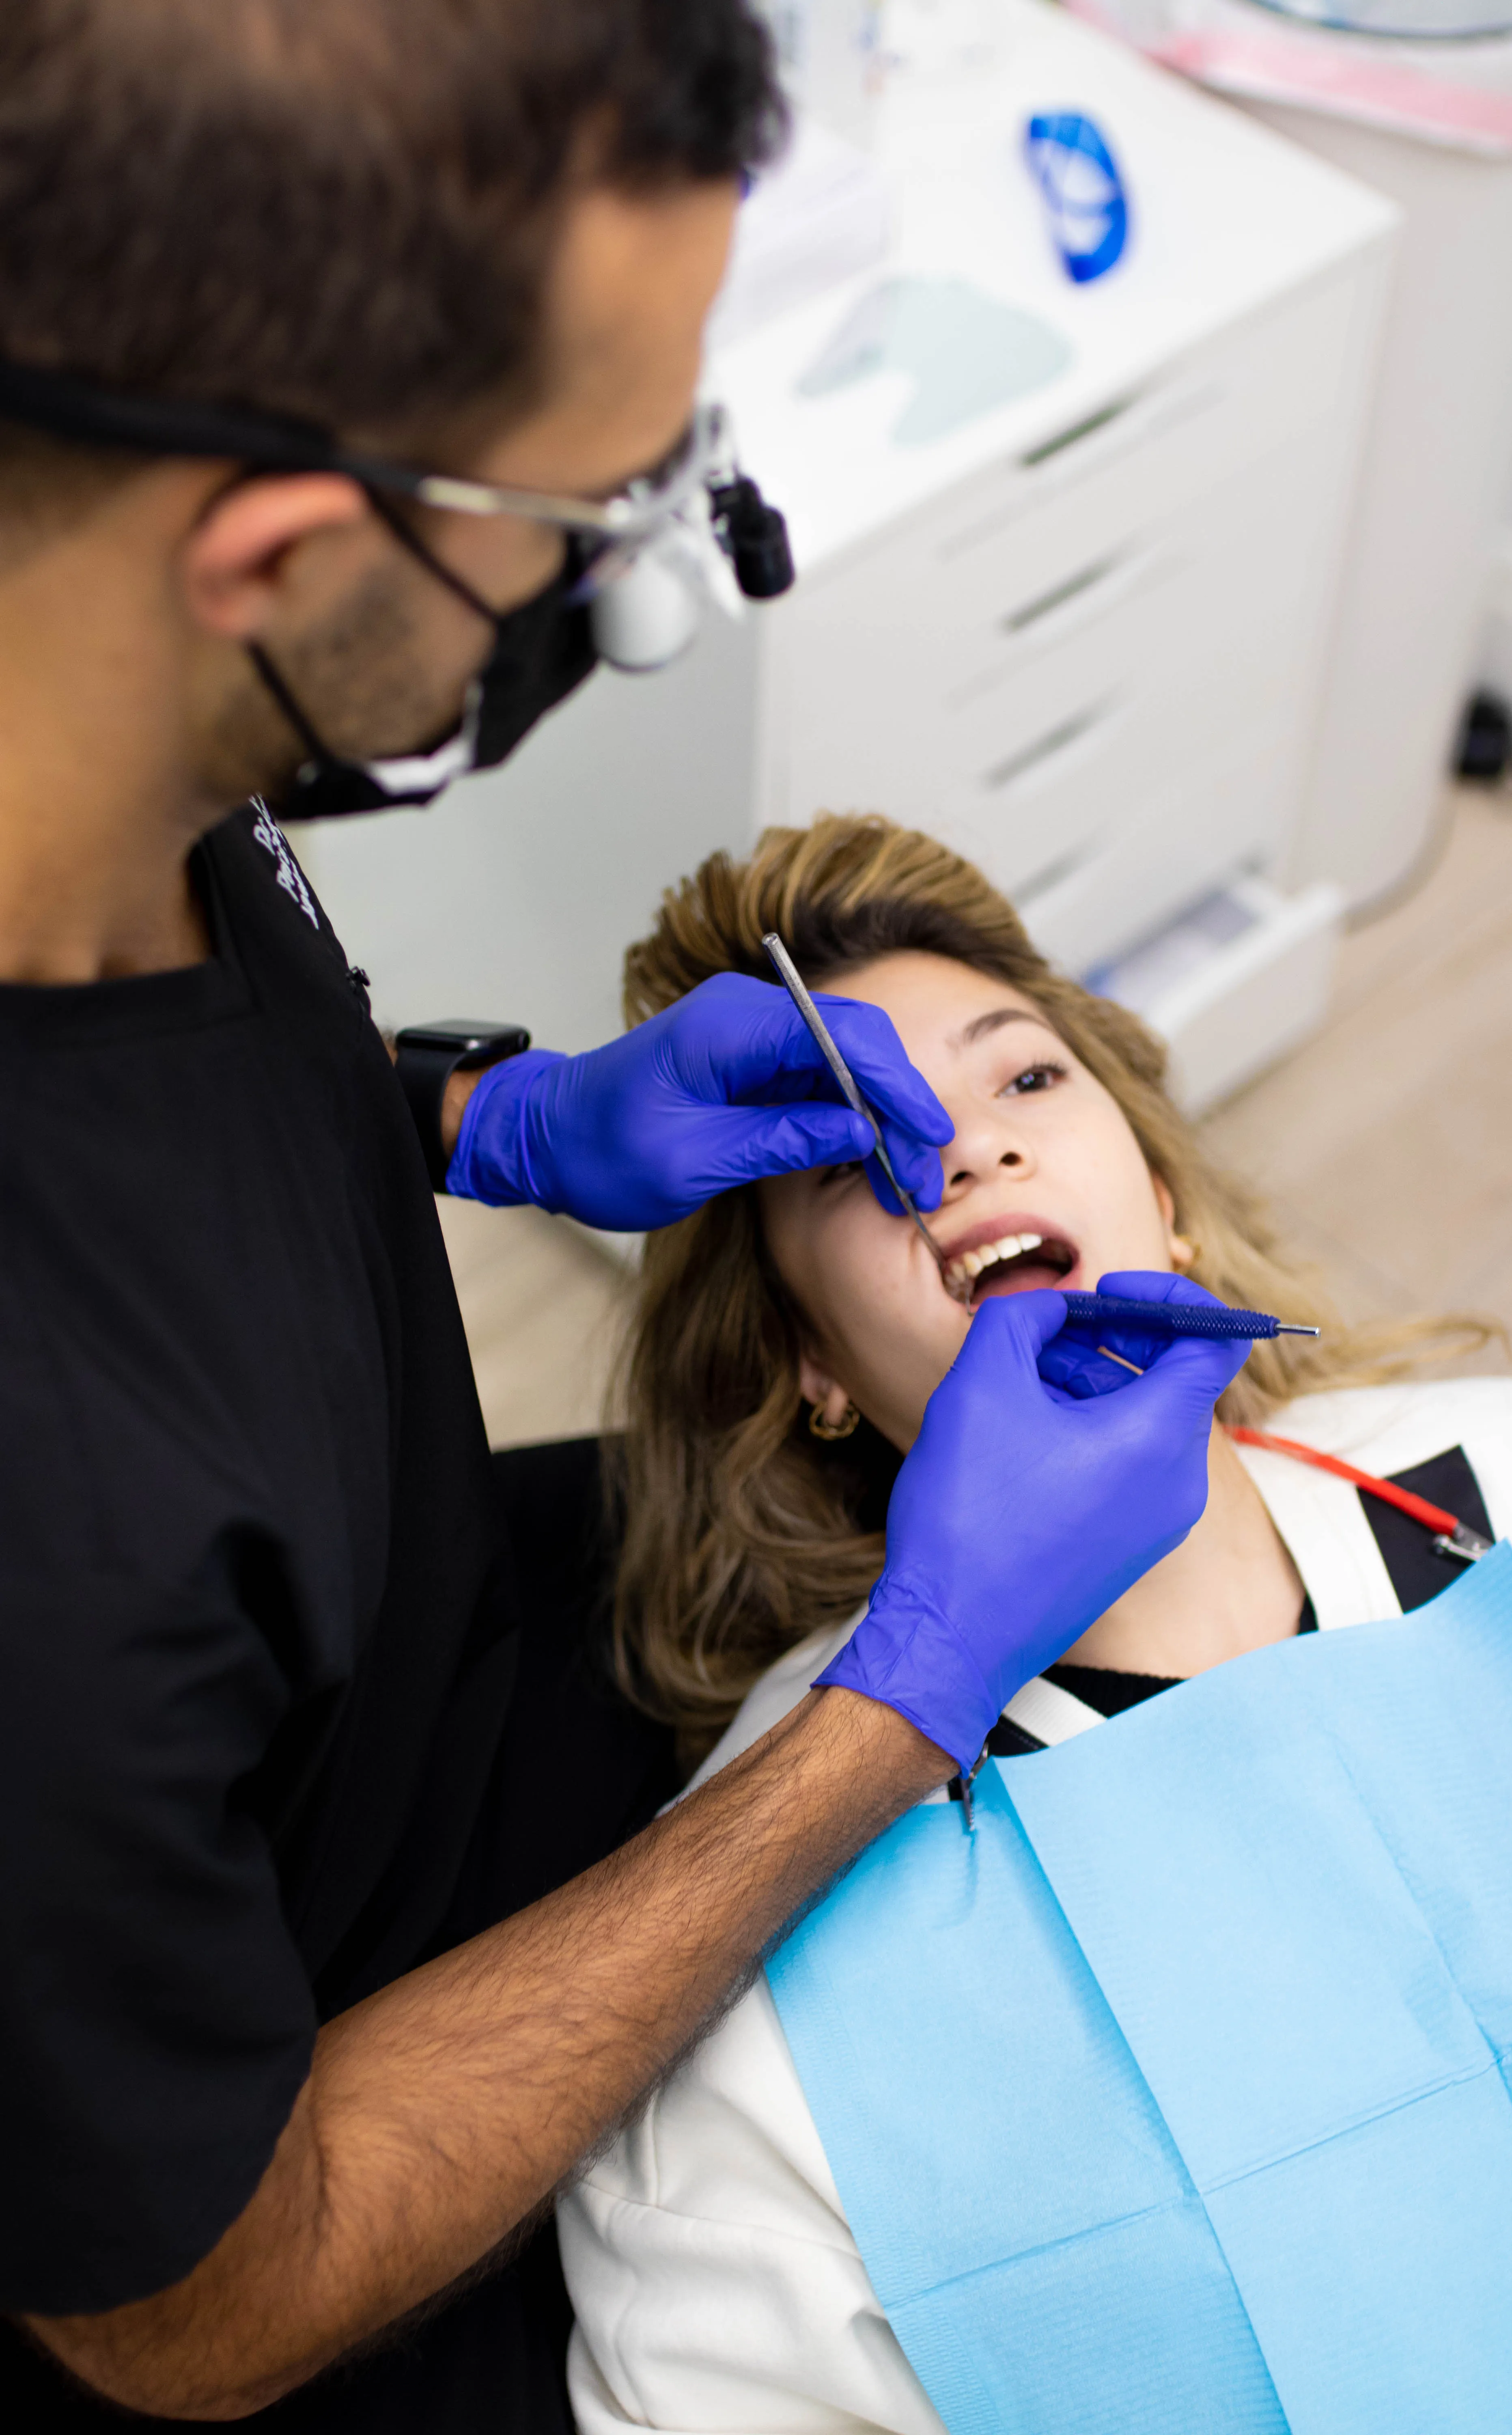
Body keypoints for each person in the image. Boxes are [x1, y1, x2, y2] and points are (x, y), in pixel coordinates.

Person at [0, 6, 1254, 2428]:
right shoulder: (50, 1546)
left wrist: (491, 1119)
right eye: (588, 518)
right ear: (267, 546)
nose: (642, 580)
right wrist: (906, 1693)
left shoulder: (93, 718)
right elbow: (207, 2303)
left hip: (404, 1663)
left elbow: (137, 1127)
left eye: (1034, 1072)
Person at [558, 813, 1512, 2435]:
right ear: (809, 1368)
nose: (966, 1147)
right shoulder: (754, 2001)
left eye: (1025, 1079)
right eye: (857, 1150)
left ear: (1163, 1198)